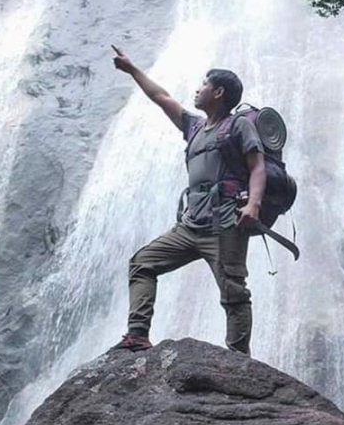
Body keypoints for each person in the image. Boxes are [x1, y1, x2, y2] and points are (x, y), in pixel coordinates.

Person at [110, 46, 266, 355]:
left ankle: (239, 358)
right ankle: (137, 334)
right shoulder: (194, 127)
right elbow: (161, 97)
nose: (197, 89)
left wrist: (253, 205)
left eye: (204, 85)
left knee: (233, 291)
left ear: (218, 92)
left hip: (225, 223)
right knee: (142, 263)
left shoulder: (238, 125)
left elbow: (257, 165)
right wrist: (132, 70)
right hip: (190, 225)